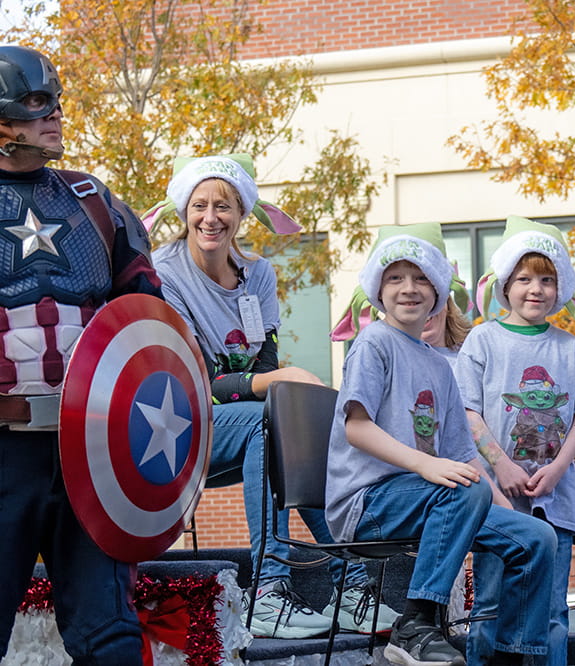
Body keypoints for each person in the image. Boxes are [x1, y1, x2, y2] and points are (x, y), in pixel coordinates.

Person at [144, 154, 391, 638]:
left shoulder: (258, 275)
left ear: (241, 215)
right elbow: (193, 380)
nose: (210, 217)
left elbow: (260, 363)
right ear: (184, 213)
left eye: (223, 206)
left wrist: (279, 384)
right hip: (174, 429)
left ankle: (352, 588)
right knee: (273, 420)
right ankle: (270, 593)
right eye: (199, 206)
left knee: (295, 422)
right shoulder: (163, 275)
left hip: (239, 425)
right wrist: (279, 382)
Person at [325, 223, 557, 666]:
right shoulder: (373, 342)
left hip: (431, 500)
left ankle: (511, 658)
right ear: (378, 287)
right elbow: (356, 427)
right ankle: (415, 624)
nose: (409, 289)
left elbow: (463, 453)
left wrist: (503, 514)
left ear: (438, 292)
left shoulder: (439, 364)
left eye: (421, 279)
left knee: (536, 537)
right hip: (368, 504)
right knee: (463, 488)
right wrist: (424, 467)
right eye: (396, 278)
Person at [0, 45, 162, 664]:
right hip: (5, 449)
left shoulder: (94, 202)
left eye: (56, 102)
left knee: (109, 636)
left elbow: (150, 324)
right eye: (37, 103)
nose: (55, 116)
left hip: (88, 451)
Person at [456, 215, 575, 666]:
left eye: (547, 280)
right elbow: (466, 411)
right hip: (499, 500)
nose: (536, 289)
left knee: (552, 612)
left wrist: (558, 469)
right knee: (491, 607)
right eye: (525, 278)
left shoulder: (571, 348)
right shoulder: (482, 341)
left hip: (555, 498)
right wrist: (502, 465)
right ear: (505, 286)